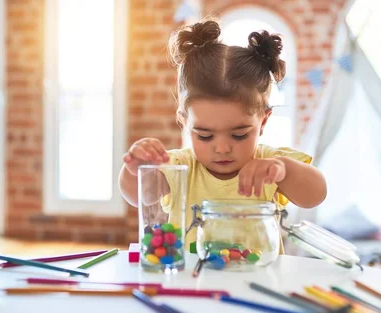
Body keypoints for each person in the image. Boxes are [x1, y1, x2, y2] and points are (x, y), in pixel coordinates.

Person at [119, 19, 327, 252]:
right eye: (205, 136)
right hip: (193, 283)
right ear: (184, 122)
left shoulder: (268, 164)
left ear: (263, 121)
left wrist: (285, 169)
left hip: (257, 284)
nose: (222, 148)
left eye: (239, 135)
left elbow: (315, 195)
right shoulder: (179, 166)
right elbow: (141, 196)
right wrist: (137, 170)